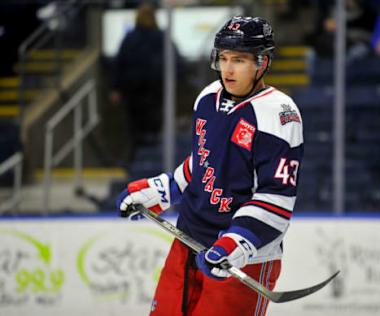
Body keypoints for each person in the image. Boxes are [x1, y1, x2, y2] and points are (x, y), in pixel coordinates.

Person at [116, 16, 304, 316]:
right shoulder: (206, 98)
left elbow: (277, 196)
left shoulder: (279, 114)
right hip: (187, 244)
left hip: (242, 260)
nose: (228, 69)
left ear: (262, 63)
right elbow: (203, 164)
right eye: (224, 58)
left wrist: (237, 243)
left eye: (239, 60)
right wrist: (160, 191)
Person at [110, 2, 183, 154]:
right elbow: (177, 62)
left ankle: (137, 155)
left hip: (134, 89)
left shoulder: (130, 38)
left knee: (135, 125)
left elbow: (119, 64)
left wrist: (116, 88)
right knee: (155, 122)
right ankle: (154, 152)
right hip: (157, 88)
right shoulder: (162, 37)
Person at [305, 0, 376, 61]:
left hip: (354, 46)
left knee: (357, 51)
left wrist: (352, 35)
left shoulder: (367, 13)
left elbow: (370, 36)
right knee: (310, 54)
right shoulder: (333, 12)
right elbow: (324, 31)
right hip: (333, 45)